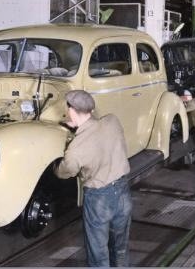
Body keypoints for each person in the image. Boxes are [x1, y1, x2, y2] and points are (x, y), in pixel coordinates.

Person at [54, 90, 132, 267]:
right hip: (123, 192)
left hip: (99, 199)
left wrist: (55, 166)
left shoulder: (76, 148)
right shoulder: (112, 121)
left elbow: (67, 170)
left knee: (99, 255)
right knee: (120, 249)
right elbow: (98, 131)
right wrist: (79, 126)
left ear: (71, 110)